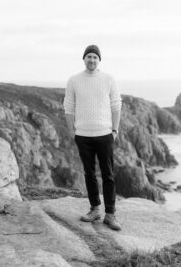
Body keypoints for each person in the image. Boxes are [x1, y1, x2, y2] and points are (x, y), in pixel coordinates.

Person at [63, 45, 122, 230]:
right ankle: (95, 209)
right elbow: (68, 107)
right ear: (84, 58)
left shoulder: (108, 79)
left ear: (99, 60)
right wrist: (72, 131)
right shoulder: (74, 80)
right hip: (83, 136)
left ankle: (110, 215)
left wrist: (115, 130)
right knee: (89, 174)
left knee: (108, 175)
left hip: (105, 134)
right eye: (89, 56)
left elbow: (116, 105)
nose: (92, 60)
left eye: (95, 57)